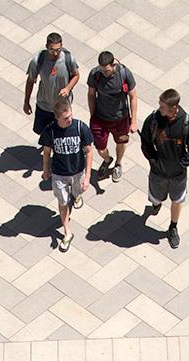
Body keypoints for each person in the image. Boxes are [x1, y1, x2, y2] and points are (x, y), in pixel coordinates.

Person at [140, 88, 189, 249]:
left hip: (177, 175)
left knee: (177, 200)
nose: (160, 109)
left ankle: (173, 227)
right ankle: (156, 204)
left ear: (174, 108)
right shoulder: (153, 120)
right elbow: (145, 142)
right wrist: (153, 161)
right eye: (160, 105)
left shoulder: (187, 124)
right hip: (158, 172)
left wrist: (181, 165)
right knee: (156, 197)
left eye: (163, 106)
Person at [40, 97, 94, 253]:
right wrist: (46, 169)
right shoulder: (51, 131)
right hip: (59, 174)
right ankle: (67, 232)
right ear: (57, 118)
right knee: (63, 202)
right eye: (65, 118)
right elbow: (47, 152)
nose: (69, 119)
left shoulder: (80, 127)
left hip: (78, 172)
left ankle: (76, 196)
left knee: (77, 192)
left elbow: (89, 151)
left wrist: (88, 176)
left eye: (70, 115)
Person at [87, 51, 138, 182]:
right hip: (100, 118)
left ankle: (118, 163)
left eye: (107, 71)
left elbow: (133, 97)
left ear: (113, 64)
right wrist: (92, 115)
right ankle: (107, 160)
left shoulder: (124, 74)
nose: (104, 73)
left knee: (121, 142)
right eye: (102, 70)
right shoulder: (95, 74)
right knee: (100, 147)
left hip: (120, 118)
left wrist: (133, 121)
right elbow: (91, 94)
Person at [24, 32, 79, 139]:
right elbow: (30, 81)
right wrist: (26, 102)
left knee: (62, 133)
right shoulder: (37, 61)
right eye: (52, 49)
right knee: (42, 132)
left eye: (58, 49)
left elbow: (76, 75)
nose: (55, 53)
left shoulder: (68, 58)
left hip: (63, 106)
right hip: (44, 105)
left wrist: (68, 88)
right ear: (46, 47)